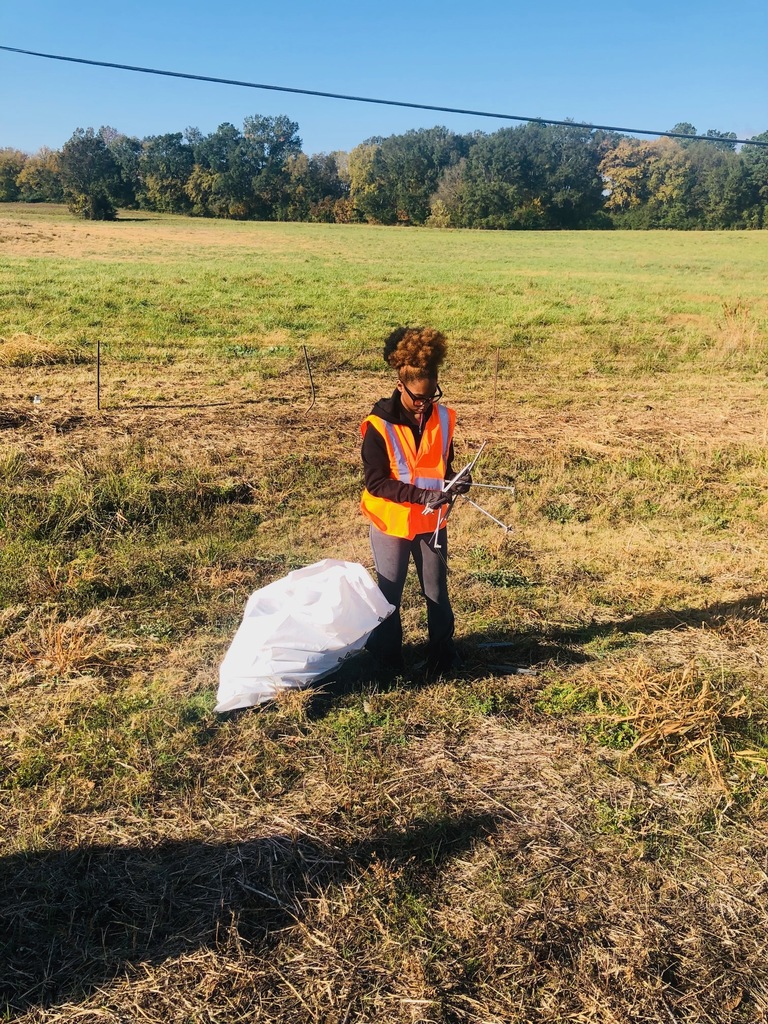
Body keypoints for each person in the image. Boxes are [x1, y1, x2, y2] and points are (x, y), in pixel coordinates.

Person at [360, 326, 470, 676]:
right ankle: (387, 663)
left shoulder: (444, 418)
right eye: (417, 398)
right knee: (388, 599)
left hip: (432, 523)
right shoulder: (378, 425)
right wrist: (422, 495)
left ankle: (442, 658)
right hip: (392, 524)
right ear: (400, 385)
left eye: (431, 396)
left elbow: (441, 466)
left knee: (437, 594)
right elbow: (376, 483)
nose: (424, 405)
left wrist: (455, 482)